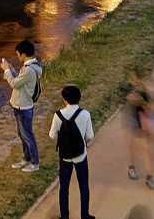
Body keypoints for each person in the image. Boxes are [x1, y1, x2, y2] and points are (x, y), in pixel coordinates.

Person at [49, 84, 96, 219]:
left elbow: (52, 135)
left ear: (65, 99)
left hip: (65, 157)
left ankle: (64, 216)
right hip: (81, 155)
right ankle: (85, 215)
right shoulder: (85, 114)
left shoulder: (58, 115)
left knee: (64, 188)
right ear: (79, 98)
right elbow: (90, 135)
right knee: (84, 186)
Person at [1, 40, 43, 173]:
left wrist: (7, 70)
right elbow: (20, 81)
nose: (18, 57)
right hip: (20, 105)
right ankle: (26, 159)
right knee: (22, 134)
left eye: (18, 54)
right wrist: (13, 70)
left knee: (28, 135)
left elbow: (14, 84)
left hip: (23, 107)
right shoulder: (30, 67)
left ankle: (35, 163)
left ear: (23, 54)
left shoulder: (29, 70)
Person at [123, 73, 154, 190]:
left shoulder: (149, 96)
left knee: (146, 150)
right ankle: (131, 168)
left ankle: (149, 177)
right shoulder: (137, 96)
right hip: (131, 121)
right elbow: (137, 104)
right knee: (131, 146)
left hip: (142, 121)